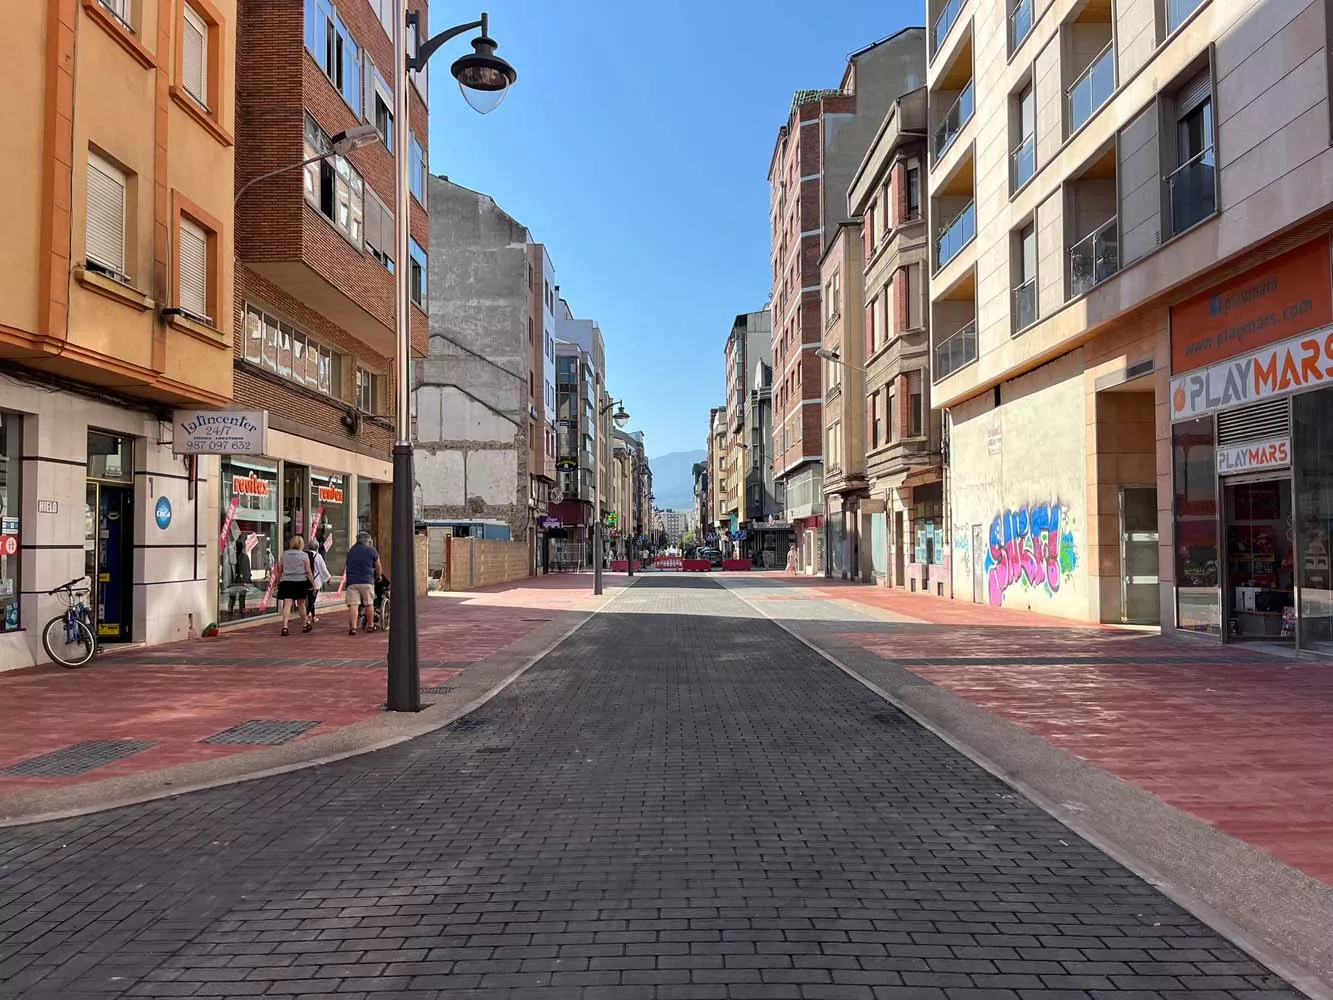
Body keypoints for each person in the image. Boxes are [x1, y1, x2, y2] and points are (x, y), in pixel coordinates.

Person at [345, 530, 383, 635]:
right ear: (367, 540)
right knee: (369, 604)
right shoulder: (372, 550)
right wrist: (378, 576)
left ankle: (353, 628)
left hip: (352, 582)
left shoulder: (351, 551)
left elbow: (347, 565)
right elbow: (378, 566)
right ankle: (371, 625)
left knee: (353, 604)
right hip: (367, 581)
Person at [277, 535, 316, 636]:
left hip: (286, 582)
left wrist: (278, 581)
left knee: (287, 605)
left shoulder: (284, 554)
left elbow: (280, 570)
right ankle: (305, 624)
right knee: (301, 605)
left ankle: (285, 627)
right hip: (300, 582)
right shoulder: (304, 555)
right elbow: (308, 571)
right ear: (301, 544)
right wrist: (313, 584)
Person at [306, 535, 330, 622]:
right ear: (317, 547)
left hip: (304, 580)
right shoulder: (318, 556)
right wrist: (328, 578)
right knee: (312, 600)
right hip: (315, 581)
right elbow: (323, 569)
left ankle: (313, 617)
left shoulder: (304, 554)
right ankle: (305, 617)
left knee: (310, 599)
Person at [225, 536, 250, 618]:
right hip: (242, 580)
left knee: (232, 596)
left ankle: (230, 609)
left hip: (234, 579)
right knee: (242, 597)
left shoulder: (232, 557)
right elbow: (247, 569)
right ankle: (241, 609)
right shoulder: (245, 557)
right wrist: (248, 578)